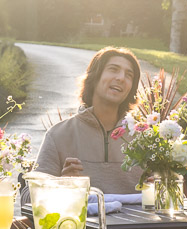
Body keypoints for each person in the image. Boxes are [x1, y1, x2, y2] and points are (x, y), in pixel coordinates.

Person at [34, 47, 143, 194]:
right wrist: (60, 184)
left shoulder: (146, 139)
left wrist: (161, 187)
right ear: (94, 77)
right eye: (113, 69)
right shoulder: (58, 135)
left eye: (129, 75)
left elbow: (176, 197)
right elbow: (29, 196)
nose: (121, 78)